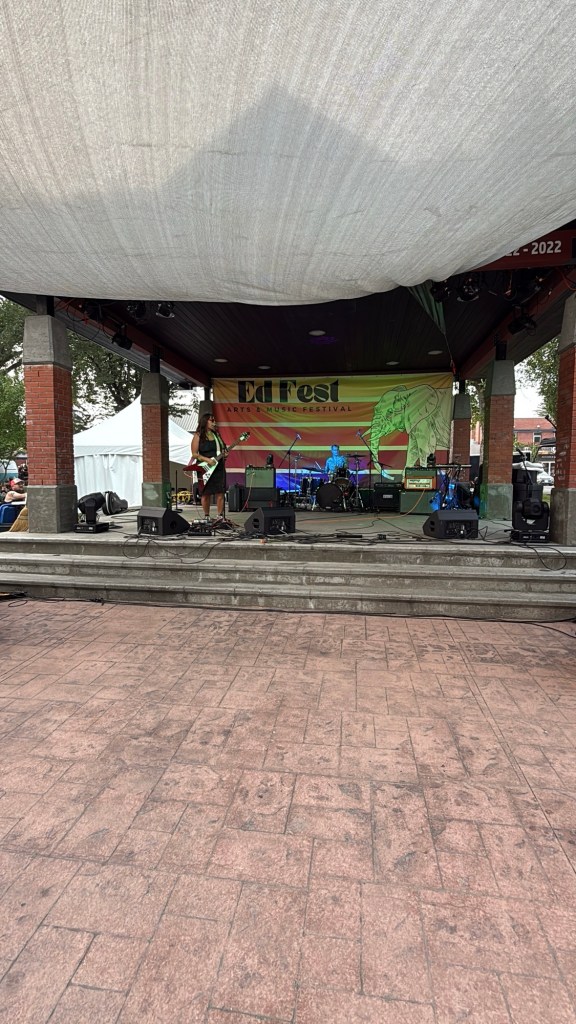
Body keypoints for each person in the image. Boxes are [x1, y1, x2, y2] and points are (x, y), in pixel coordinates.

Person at [191, 412, 231, 524]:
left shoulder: (216, 435)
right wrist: (207, 460)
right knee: (205, 493)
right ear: (205, 421)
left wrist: (225, 454)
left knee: (220, 492)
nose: (214, 422)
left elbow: (223, 449)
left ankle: (219, 516)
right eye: (211, 420)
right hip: (205, 467)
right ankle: (207, 516)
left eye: (214, 420)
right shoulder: (198, 435)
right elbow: (194, 454)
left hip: (218, 467)